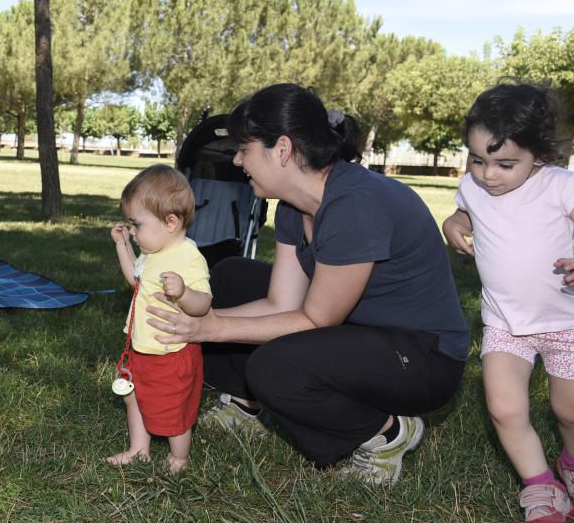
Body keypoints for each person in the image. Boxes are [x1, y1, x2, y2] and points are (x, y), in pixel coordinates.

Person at [146, 83, 469, 486]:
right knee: (229, 278)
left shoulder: (354, 204)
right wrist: (195, 315)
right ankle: (247, 408)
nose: (238, 159)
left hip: (423, 358)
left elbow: (317, 319)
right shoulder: (294, 208)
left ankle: (385, 433)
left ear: (281, 149)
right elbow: (281, 302)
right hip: (361, 334)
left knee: (275, 367)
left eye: (244, 149)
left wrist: (212, 327)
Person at [442, 82, 574, 523]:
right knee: (504, 408)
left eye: (504, 163)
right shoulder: (472, 187)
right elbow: (467, 213)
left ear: (537, 154)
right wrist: (453, 222)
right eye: (477, 159)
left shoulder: (562, 187)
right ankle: (541, 486)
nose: (488, 174)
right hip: (505, 323)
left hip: (567, 324)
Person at [106, 164, 212, 473]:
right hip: (142, 349)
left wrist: (183, 293)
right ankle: (139, 450)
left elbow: (203, 304)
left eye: (137, 226)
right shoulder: (151, 253)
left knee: (172, 406)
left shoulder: (187, 256)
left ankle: (179, 457)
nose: (134, 232)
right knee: (135, 398)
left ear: (170, 222)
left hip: (171, 352)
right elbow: (134, 281)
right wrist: (122, 246)